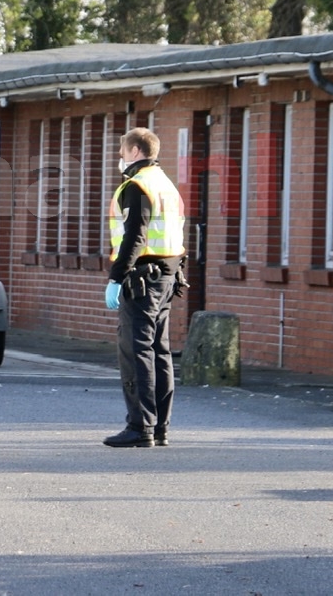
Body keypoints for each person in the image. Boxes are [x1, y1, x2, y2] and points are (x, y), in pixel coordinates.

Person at [103, 128, 186, 449]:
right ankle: (160, 426)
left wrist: (115, 277)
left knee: (136, 351)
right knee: (159, 352)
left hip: (141, 277)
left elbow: (133, 237)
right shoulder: (166, 184)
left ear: (136, 151)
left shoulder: (137, 185)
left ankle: (140, 427)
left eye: (123, 152)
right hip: (168, 274)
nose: (120, 158)